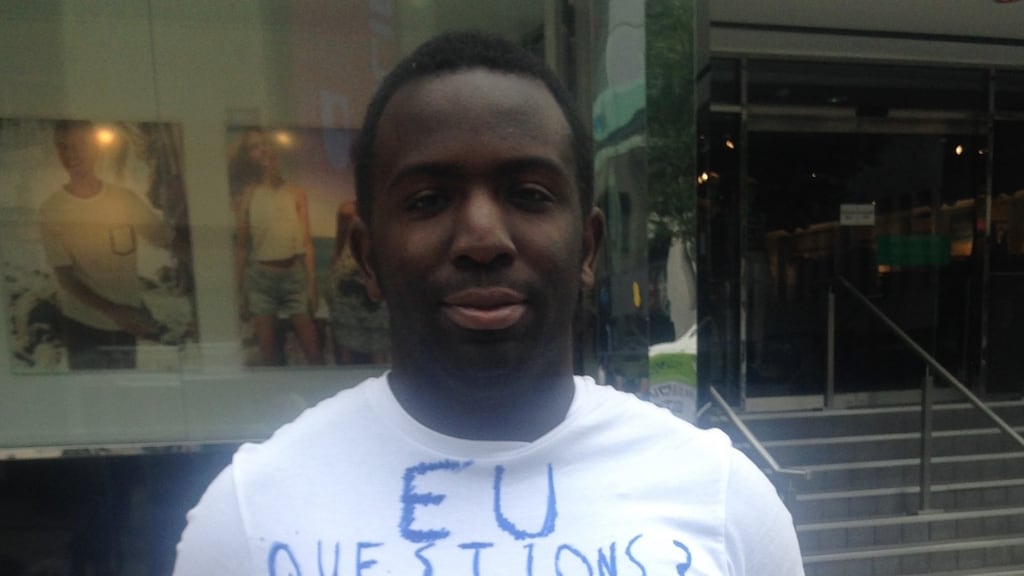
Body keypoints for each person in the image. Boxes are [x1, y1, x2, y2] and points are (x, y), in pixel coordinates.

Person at [174, 31, 803, 575]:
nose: (482, 239)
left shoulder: (723, 503)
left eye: (528, 193)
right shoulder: (249, 519)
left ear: (587, 248)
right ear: (367, 256)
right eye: (427, 199)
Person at [38, 120, 170, 370]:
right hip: (82, 326)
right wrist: (118, 313)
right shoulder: (51, 210)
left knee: (124, 398)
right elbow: (65, 279)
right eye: (63, 147)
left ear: (97, 149)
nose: (71, 155)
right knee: (91, 401)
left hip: (125, 326)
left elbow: (163, 238)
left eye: (80, 146)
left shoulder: (126, 200)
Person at [230, 128, 324, 366]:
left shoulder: (295, 192)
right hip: (261, 281)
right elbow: (241, 248)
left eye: (265, 144)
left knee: (314, 353)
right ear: (248, 156)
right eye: (254, 147)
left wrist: (312, 288)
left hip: (294, 277)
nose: (262, 150)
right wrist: (240, 292)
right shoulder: (247, 197)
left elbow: (307, 244)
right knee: (269, 356)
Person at [325, 199, 390, 364]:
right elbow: (340, 245)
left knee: (378, 342)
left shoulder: (384, 210)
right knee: (347, 344)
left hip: (372, 277)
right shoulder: (348, 211)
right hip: (346, 282)